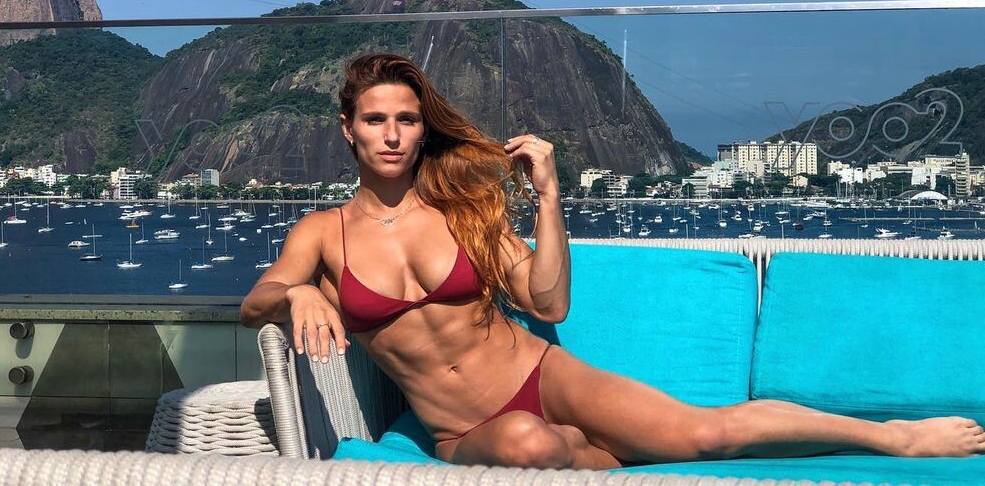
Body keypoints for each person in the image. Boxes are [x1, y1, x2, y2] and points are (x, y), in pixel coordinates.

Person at [241, 53, 985, 469]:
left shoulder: (461, 211)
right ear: (348, 129)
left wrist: (549, 196)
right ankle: (586, 454)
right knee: (529, 443)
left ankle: (890, 436)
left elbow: (548, 304)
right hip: (465, 430)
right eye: (376, 120)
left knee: (705, 434)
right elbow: (256, 302)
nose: (393, 135)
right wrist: (299, 294)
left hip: (542, 373)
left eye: (406, 119)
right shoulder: (324, 233)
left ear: (420, 128)